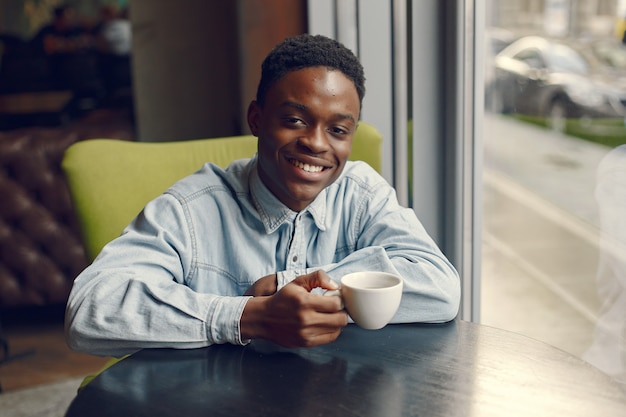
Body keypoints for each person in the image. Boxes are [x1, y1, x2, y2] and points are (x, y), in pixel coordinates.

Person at [65, 34, 460, 357]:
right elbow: (90, 310)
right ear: (256, 119)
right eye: (295, 121)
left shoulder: (360, 192)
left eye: (338, 130)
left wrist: (291, 285)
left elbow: (441, 287)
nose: (317, 144)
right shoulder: (192, 207)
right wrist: (248, 316)